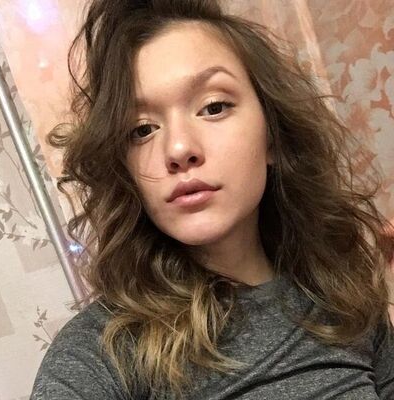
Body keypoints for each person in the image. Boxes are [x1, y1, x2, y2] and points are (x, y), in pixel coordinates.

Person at [30, 0, 394, 399]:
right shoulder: (97, 356)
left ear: (272, 135)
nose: (179, 148)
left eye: (213, 107)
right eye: (142, 129)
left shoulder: (344, 299)